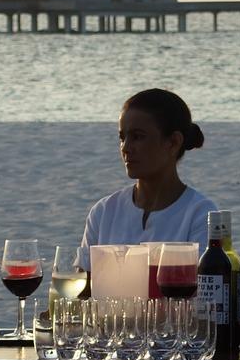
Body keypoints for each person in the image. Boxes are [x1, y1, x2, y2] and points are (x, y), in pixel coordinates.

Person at [80, 88, 219, 248]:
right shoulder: (103, 212)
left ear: (173, 142)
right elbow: (84, 273)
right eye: (122, 138)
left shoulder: (200, 214)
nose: (125, 147)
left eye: (138, 137)